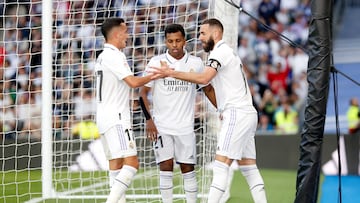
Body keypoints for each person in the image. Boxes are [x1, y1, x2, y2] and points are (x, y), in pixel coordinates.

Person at [151, 18, 267, 203]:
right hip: (247, 113)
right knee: (249, 168)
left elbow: (205, 78)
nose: (200, 38)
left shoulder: (220, 52)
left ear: (216, 33)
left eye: (203, 33)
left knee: (221, 167)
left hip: (236, 113)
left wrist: (171, 73)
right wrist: (220, 107)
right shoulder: (228, 52)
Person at [139, 24, 204, 203]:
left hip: (185, 126)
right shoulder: (156, 63)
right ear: (165, 42)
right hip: (162, 126)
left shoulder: (196, 63)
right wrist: (149, 120)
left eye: (177, 40)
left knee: (187, 168)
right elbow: (142, 92)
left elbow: (208, 89)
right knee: (165, 167)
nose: (174, 45)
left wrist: (221, 109)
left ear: (184, 40)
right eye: (170, 41)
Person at [94, 17, 156, 203]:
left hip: (104, 117)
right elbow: (133, 82)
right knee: (132, 163)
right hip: (117, 118)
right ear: (116, 34)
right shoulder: (114, 55)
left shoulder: (102, 56)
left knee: (116, 166)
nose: (128, 35)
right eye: (126, 31)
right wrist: (156, 74)